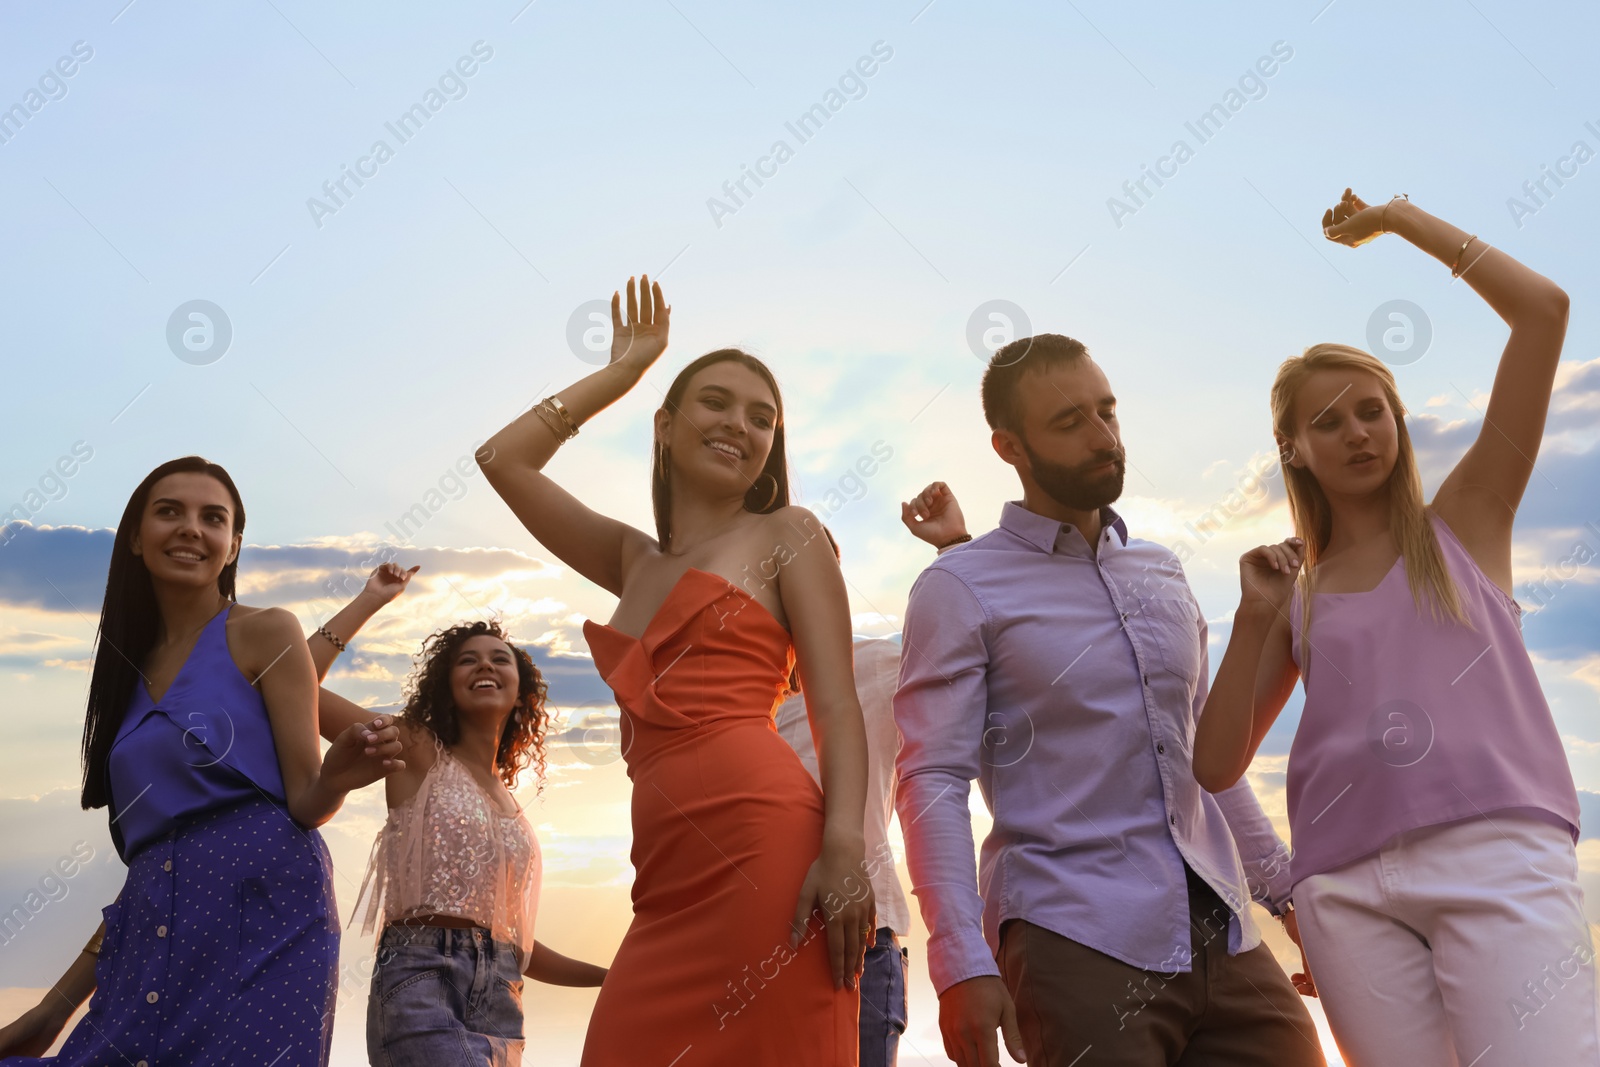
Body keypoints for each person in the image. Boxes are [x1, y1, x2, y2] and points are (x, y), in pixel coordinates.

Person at [1192, 189, 1596, 1065]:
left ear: (1399, 418)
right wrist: (1253, 616)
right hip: (1343, 890)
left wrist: (1399, 221)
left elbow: (1544, 312)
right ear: (1293, 449)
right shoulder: (1294, 593)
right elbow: (1215, 762)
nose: (1357, 432)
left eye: (1371, 408)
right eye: (1327, 422)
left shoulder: (1469, 520)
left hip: (1498, 850)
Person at [478, 275, 874, 1065]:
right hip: (662, 881)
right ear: (663, 426)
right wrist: (623, 373)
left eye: (763, 418)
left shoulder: (786, 532)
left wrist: (845, 849)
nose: (741, 425)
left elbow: (835, 704)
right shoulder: (635, 560)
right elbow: (502, 459)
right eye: (716, 403)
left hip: (768, 850)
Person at [894, 344, 1324, 1067]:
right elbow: (932, 778)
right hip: (1073, 936)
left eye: (1108, 410)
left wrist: (1285, 894)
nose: (1104, 436)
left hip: (1224, 933)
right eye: (1070, 420)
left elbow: (1204, 751)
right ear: (1010, 446)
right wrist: (959, 959)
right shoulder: (960, 586)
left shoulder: (1161, 568)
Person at [0, 456, 403, 1066]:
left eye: (212, 518)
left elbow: (306, 799)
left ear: (233, 545)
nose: (192, 528)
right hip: (147, 941)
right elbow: (149, 876)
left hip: (270, 926)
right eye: (170, 512)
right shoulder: (123, 677)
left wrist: (339, 779)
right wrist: (54, 1008)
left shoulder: (267, 631)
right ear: (135, 537)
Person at [308, 562, 606, 1064]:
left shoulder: (513, 808)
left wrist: (610, 977)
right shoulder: (416, 749)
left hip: (501, 999)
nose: (485, 666)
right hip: (421, 981)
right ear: (446, 685)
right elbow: (296, 687)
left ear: (522, 691)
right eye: (468, 661)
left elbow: (517, 945)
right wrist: (370, 599)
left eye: (499, 659)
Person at [772, 532, 915, 1067]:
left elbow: (971, 648)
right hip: (750, 939)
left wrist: (954, 546)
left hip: (857, 938)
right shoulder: (729, 693)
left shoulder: (876, 663)